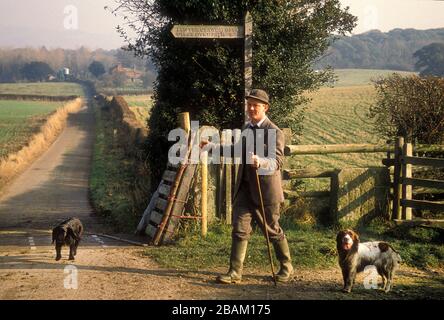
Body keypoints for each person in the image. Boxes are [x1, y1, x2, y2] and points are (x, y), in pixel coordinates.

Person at [201, 89, 293, 284]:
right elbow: (236, 150)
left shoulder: (274, 131)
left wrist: (261, 161)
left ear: (265, 107)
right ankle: (235, 272)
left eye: (255, 105)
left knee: (271, 230)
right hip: (244, 189)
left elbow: (277, 161)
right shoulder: (247, 129)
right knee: (239, 228)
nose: (251, 108)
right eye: (249, 104)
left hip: (266, 191)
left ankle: (286, 267)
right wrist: (211, 147)